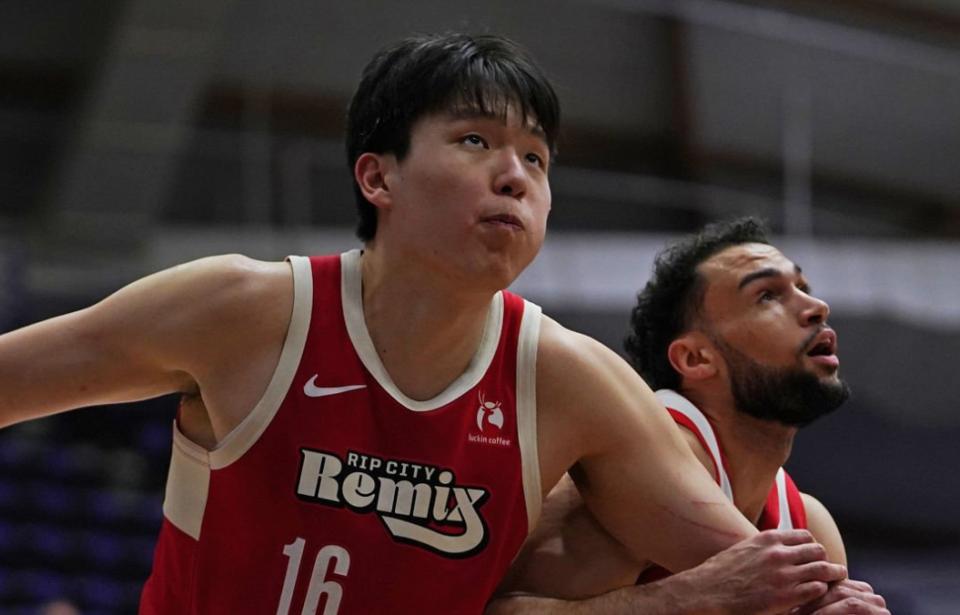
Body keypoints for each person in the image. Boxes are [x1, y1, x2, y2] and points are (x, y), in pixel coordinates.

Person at [0, 36, 844, 614]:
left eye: (537, 159)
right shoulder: (241, 311)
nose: (515, 175)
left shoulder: (570, 381)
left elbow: (770, 576)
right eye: (476, 140)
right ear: (378, 177)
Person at [488, 218, 888, 614]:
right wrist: (682, 600)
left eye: (803, 288)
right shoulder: (626, 469)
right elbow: (495, 610)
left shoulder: (808, 522)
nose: (818, 307)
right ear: (696, 358)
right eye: (767, 296)